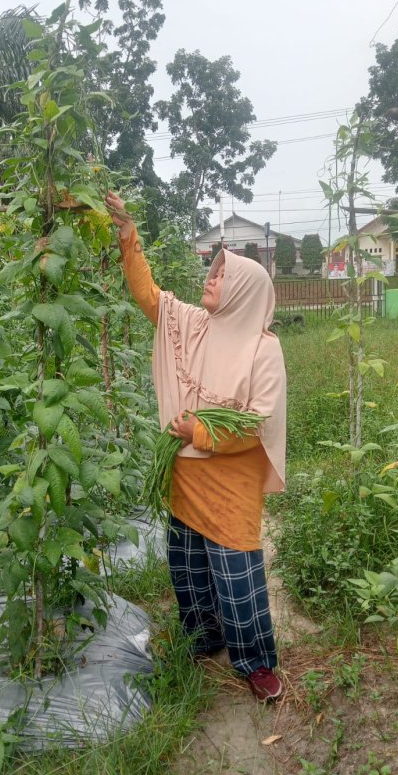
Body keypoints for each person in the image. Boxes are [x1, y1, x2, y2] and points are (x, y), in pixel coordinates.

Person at [106, 191, 287, 702]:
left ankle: (256, 662)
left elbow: (257, 424)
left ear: (244, 291)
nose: (210, 279)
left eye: (221, 276)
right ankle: (202, 638)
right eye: (212, 272)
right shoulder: (191, 324)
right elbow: (148, 294)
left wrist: (199, 432)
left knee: (237, 575)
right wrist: (127, 233)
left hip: (231, 484)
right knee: (187, 566)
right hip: (186, 476)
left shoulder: (263, 349)